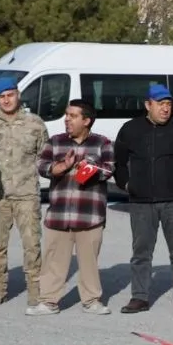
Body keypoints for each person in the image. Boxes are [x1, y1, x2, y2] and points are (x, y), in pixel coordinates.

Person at [113, 84, 173, 316]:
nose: (165, 109)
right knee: (141, 252)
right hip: (141, 203)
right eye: (160, 104)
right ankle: (139, 297)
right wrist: (127, 184)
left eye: (168, 104)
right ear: (148, 105)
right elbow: (118, 163)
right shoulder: (130, 129)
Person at [26, 100, 115, 316]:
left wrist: (89, 168)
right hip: (59, 214)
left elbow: (109, 169)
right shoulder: (55, 142)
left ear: (86, 121)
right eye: (66, 115)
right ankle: (48, 302)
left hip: (89, 215)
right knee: (53, 261)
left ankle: (91, 301)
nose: (67, 119)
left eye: (73, 116)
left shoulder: (102, 143)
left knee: (89, 262)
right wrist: (63, 166)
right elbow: (43, 167)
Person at [0, 77, 48, 308]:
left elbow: (44, 157)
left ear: (18, 95)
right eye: (1, 97)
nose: (6, 100)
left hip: (26, 193)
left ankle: (35, 289)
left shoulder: (34, 123)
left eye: (10, 95)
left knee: (32, 244)